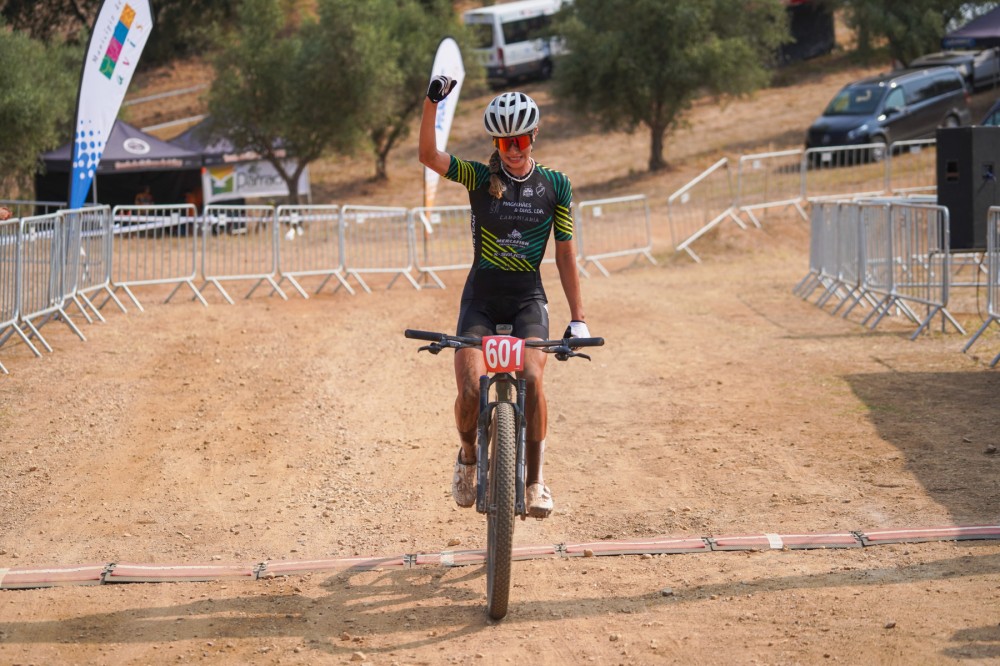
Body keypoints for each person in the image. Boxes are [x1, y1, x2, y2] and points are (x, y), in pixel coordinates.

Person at [419, 76, 590, 519]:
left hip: (527, 298)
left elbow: (566, 254)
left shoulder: (556, 185)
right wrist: (432, 102)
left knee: (532, 378)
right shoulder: (478, 176)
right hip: (481, 298)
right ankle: (467, 458)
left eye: (519, 139)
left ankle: (534, 482)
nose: (513, 149)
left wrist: (579, 318)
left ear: (533, 137)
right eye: (504, 141)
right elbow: (428, 156)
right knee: (472, 390)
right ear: (496, 142)